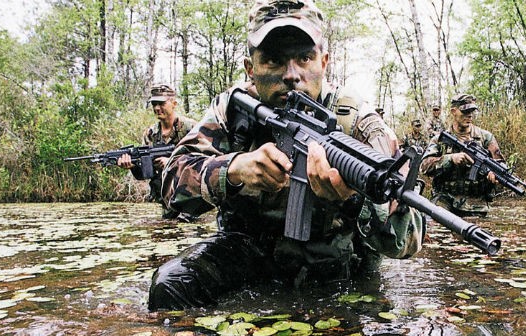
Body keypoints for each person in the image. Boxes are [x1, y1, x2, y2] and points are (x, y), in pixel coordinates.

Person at [148, 0, 425, 310]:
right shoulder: (232, 110)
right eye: (273, 61)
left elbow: (408, 239)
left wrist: (353, 199)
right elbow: (172, 183)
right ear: (250, 69)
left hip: (337, 263)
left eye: (304, 58)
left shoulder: (356, 121)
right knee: (170, 285)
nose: (292, 74)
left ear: (324, 62)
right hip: (250, 251)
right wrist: (235, 169)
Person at [117, 84, 197, 220]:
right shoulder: (150, 134)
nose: (156, 108)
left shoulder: (191, 128)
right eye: (154, 104)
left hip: (192, 201)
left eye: (161, 103)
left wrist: (172, 163)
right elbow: (145, 174)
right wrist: (132, 166)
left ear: (174, 103)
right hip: (166, 201)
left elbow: (204, 161)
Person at [420, 93, 506, 217]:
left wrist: (494, 175)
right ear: (453, 111)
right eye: (465, 111)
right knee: (435, 229)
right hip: (444, 200)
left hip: (475, 203)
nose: (469, 115)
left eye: (472, 111)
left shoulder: (485, 137)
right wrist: (449, 159)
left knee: (476, 234)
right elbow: (424, 167)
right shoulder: (440, 139)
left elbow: (500, 163)